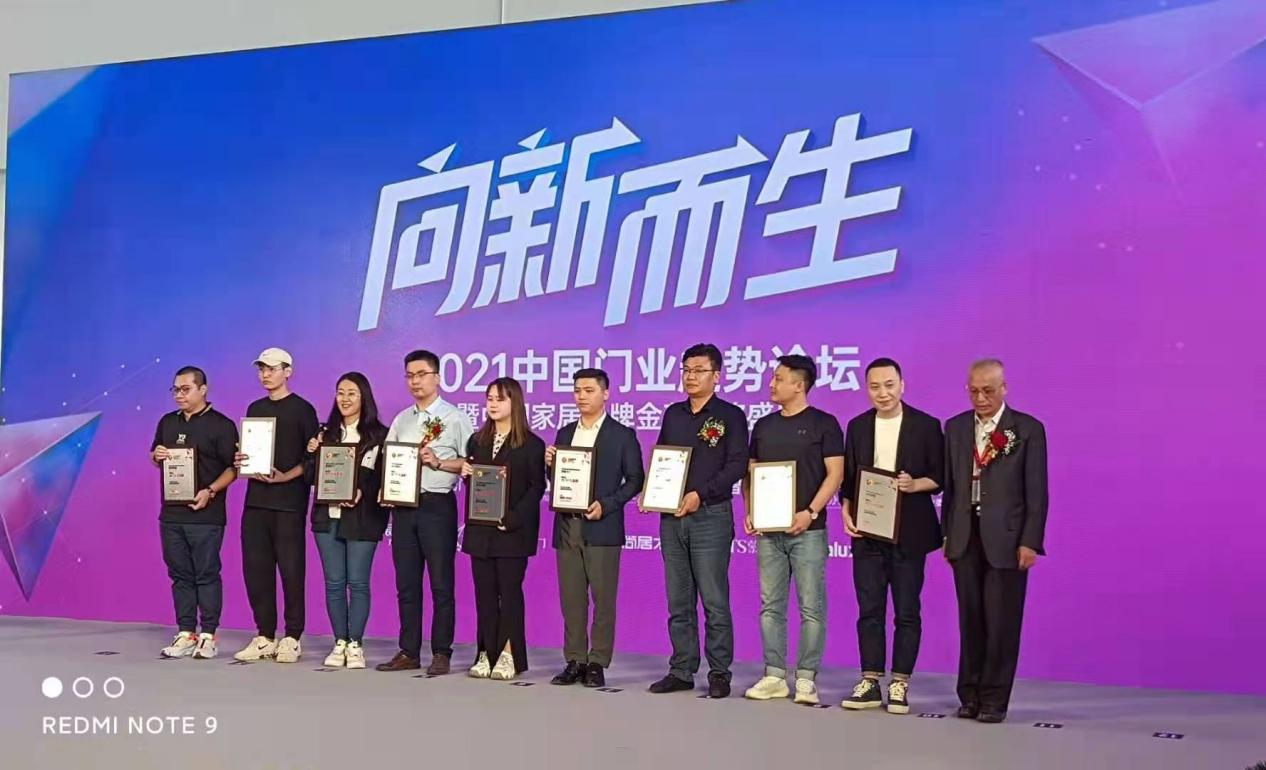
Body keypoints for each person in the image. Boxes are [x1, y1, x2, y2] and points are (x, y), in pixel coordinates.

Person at [942, 359, 1048, 723]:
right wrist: (947, 535)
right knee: (970, 620)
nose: (980, 398)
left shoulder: (1027, 429)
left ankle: (994, 700)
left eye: (988, 391)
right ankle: (969, 695)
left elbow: (1037, 492)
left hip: (1007, 539)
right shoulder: (956, 427)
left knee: (1002, 623)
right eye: (973, 391)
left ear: (1004, 388)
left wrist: (1030, 540)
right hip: (964, 535)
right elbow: (951, 488)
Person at [838, 358, 944, 714]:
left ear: (902, 385)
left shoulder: (926, 425)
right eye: (874, 386)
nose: (882, 393)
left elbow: (941, 477)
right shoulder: (857, 426)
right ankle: (870, 680)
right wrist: (846, 510)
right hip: (867, 531)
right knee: (869, 609)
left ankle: (900, 682)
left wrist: (915, 484)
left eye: (889, 385)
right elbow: (849, 478)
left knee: (907, 610)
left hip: (909, 532)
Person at [644, 343, 748, 699]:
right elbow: (663, 459)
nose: (690, 376)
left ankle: (719, 672)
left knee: (714, 599)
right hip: (672, 517)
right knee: (678, 600)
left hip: (710, 516)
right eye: (686, 370)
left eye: (699, 370)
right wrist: (652, 491)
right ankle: (681, 669)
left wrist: (699, 494)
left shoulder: (730, 416)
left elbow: (736, 465)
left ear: (716, 376)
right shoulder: (674, 414)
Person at [743, 354, 844, 705]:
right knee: (770, 606)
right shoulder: (764, 426)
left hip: (808, 531)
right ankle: (774, 675)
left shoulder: (824, 424)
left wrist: (811, 512)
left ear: (799, 385)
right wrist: (751, 510)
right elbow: (751, 473)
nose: (771, 384)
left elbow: (835, 474)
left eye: (778, 378)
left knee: (811, 606)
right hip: (769, 532)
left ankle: (805, 677)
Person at [376, 350, 475, 675]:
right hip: (404, 508)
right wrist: (386, 487)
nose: (415, 381)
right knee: (406, 584)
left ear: (437, 377)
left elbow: (471, 463)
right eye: (410, 375)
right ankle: (409, 650)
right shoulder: (402, 419)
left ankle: (442, 652)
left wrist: (439, 462)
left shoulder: (455, 417)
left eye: (421, 374)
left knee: (441, 584)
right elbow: (389, 458)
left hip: (437, 505)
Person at [546, 368, 644, 688]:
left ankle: (598, 661)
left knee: (603, 600)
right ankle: (574, 659)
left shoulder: (622, 435)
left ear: (606, 393)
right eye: (577, 390)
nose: (581, 396)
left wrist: (608, 504)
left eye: (589, 390)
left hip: (602, 526)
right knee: (571, 599)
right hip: (567, 526)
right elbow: (560, 482)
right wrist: (550, 466)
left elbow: (635, 480)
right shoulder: (564, 433)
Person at [233, 348, 320, 663]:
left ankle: (292, 636)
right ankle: (265, 635)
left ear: (288, 371)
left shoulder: (303, 410)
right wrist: (241, 460)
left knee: (292, 571)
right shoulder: (255, 409)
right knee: (256, 569)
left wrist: (286, 477)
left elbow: (312, 459)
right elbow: (248, 452)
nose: (265, 374)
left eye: (271, 369)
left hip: (289, 504)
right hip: (256, 501)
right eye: (261, 369)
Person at [459, 377, 546, 681]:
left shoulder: (532, 444)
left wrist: (513, 517)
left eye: (500, 399)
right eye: (490, 398)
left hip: (513, 532)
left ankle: (509, 653)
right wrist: (467, 473)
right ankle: (485, 652)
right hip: (481, 531)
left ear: (515, 402)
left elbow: (536, 488)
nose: (493, 404)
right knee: (484, 594)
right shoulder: (477, 441)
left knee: (509, 593)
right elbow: (478, 485)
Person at [151, 366, 238, 660]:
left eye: (185, 389)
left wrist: (210, 491)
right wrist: (157, 455)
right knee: (180, 575)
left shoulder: (221, 425)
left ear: (203, 389)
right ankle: (185, 632)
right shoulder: (167, 422)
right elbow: (154, 456)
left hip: (206, 515)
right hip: (171, 515)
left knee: (207, 574)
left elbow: (233, 469)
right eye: (175, 389)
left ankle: (208, 635)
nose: (179, 395)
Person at [303, 372, 389, 670]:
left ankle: (356, 644)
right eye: (340, 392)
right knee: (334, 584)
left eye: (351, 393)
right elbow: (310, 477)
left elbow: (382, 478)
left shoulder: (379, 435)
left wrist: (363, 492)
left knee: (358, 582)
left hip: (363, 519)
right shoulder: (325, 434)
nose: (345, 398)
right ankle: (339, 641)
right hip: (327, 518)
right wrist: (312, 454)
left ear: (364, 397)